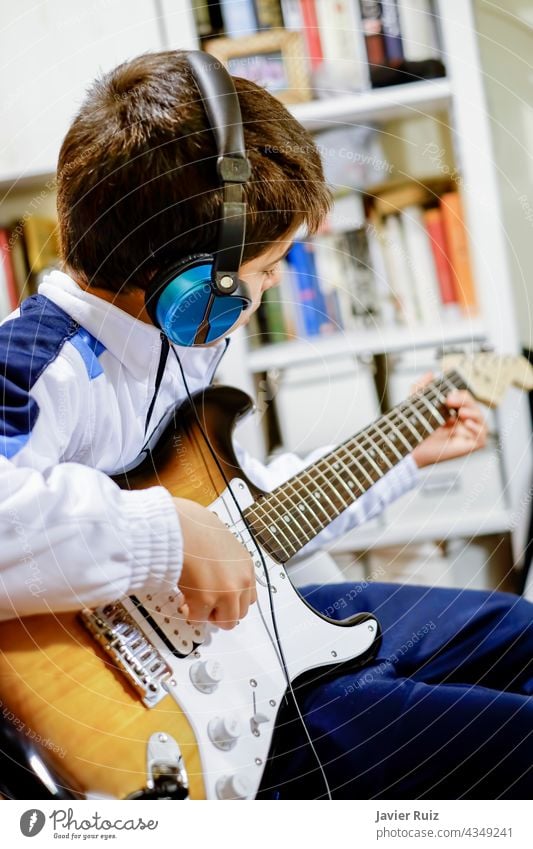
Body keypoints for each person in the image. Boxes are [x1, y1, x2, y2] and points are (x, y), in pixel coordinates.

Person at [0, 50, 531, 799]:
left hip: (251, 643)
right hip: (187, 713)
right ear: (191, 286)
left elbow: (236, 517)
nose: (275, 280)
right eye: (267, 264)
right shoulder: (35, 361)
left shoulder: (174, 345)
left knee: (518, 634)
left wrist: (406, 456)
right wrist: (170, 534)